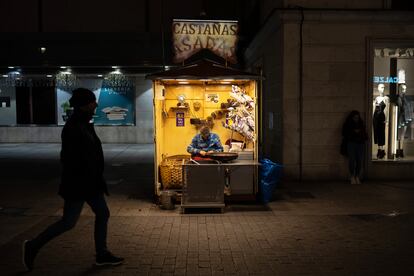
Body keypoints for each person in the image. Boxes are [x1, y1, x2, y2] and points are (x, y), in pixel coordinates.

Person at [22, 88, 124, 271]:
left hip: (88, 183)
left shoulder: (82, 124)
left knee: (101, 214)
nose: (96, 104)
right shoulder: (75, 127)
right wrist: (87, 179)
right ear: (85, 105)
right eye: (93, 101)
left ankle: (102, 254)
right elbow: (72, 159)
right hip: (80, 184)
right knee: (69, 222)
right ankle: (33, 245)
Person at [342, 110, 367, 184]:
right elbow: (344, 133)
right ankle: (352, 176)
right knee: (352, 160)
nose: (356, 119)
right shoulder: (347, 124)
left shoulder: (361, 124)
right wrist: (353, 132)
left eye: (357, 117)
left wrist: (360, 133)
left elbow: (364, 133)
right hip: (351, 143)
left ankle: (357, 176)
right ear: (351, 118)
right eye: (355, 117)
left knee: (359, 160)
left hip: (360, 144)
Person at [372, 83, 389, 159]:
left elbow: (387, 109)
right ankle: (379, 150)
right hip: (375, 118)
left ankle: (382, 150)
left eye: (384, 87)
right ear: (378, 88)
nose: (383, 89)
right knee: (376, 133)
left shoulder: (386, 98)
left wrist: (387, 119)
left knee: (382, 133)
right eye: (381, 87)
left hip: (382, 118)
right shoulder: (376, 98)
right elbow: (374, 109)